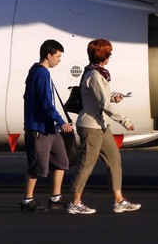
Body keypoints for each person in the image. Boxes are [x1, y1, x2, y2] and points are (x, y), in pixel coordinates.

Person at [68, 38, 140, 214]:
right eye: (108, 53)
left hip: (100, 125)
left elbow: (103, 99)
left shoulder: (98, 73)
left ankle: (119, 200)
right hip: (91, 126)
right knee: (87, 164)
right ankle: (75, 203)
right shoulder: (94, 75)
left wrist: (113, 96)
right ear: (102, 55)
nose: (110, 56)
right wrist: (125, 121)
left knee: (114, 159)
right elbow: (104, 104)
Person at [21, 39, 74, 212]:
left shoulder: (38, 72)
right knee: (37, 166)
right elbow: (45, 103)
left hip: (49, 128)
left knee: (61, 161)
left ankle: (56, 198)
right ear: (49, 55)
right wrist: (61, 121)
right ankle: (27, 200)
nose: (59, 60)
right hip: (40, 128)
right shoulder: (41, 74)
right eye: (58, 56)